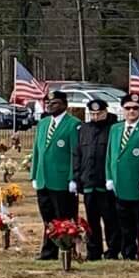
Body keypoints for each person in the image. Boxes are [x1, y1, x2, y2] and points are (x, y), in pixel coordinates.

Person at [29, 89, 80, 260]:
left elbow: (75, 153)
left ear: (65, 105)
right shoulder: (43, 124)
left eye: (55, 103)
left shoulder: (73, 124)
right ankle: (48, 252)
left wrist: (73, 178)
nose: (50, 106)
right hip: (44, 179)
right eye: (48, 103)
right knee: (48, 218)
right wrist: (34, 175)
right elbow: (37, 151)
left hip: (62, 180)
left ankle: (68, 250)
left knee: (64, 218)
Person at [107, 93, 139, 260]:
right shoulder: (115, 129)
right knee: (125, 224)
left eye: (135, 108)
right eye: (128, 108)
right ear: (123, 110)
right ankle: (128, 252)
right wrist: (109, 177)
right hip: (120, 185)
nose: (131, 111)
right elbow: (110, 155)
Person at [75, 96, 121, 261]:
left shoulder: (114, 128)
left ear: (105, 112)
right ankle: (94, 251)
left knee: (110, 219)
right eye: (92, 114)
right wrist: (77, 177)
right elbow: (78, 154)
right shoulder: (84, 129)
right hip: (89, 182)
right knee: (91, 220)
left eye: (98, 114)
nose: (95, 117)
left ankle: (113, 250)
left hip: (105, 182)